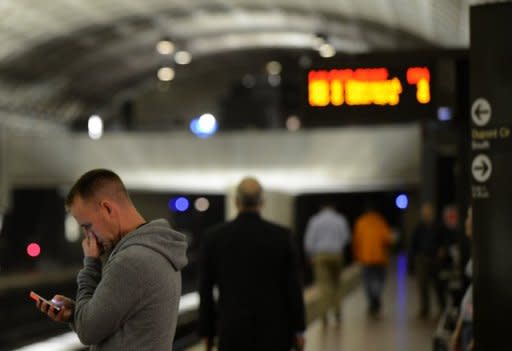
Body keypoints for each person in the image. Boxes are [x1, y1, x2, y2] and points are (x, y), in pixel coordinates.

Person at [33, 169, 188, 350]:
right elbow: (110, 319)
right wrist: (74, 313)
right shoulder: (159, 249)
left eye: (87, 226)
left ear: (107, 208)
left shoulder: (130, 262)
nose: (88, 236)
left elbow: (87, 330)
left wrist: (90, 264)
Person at [198, 177, 306, 351]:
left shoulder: (214, 237)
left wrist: (207, 332)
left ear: (236, 201)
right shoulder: (282, 236)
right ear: (262, 202)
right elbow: (293, 287)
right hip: (276, 332)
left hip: (232, 331)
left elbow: (205, 289)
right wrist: (299, 329)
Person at [303, 203, 350, 324]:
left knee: (323, 286)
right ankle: (337, 311)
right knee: (337, 284)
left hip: (320, 255)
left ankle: (324, 315)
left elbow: (308, 240)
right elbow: (346, 238)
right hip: (336, 254)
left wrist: (310, 255)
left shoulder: (315, 220)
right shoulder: (340, 220)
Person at [352, 204, 393, 318]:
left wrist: (358, 256)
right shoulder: (381, 222)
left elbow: (356, 242)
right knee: (380, 280)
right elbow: (388, 239)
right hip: (380, 258)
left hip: (366, 258)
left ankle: (372, 299)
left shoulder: (360, 223)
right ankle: (376, 295)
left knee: (367, 282)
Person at [409, 202, 447, 319]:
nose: (426, 214)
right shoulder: (419, 227)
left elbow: (445, 240)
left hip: (435, 259)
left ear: (433, 213)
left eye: (428, 212)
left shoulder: (439, 226)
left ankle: (442, 308)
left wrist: (442, 249)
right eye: (424, 212)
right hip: (423, 259)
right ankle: (424, 309)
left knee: (438, 285)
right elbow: (413, 243)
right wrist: (415, 257)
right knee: (423, 286)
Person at [450, 206, 474, 351]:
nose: (466, 222)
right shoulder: (476, 249)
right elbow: (470, 296)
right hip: (467, 321)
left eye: (469, 217)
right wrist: (459, 328)